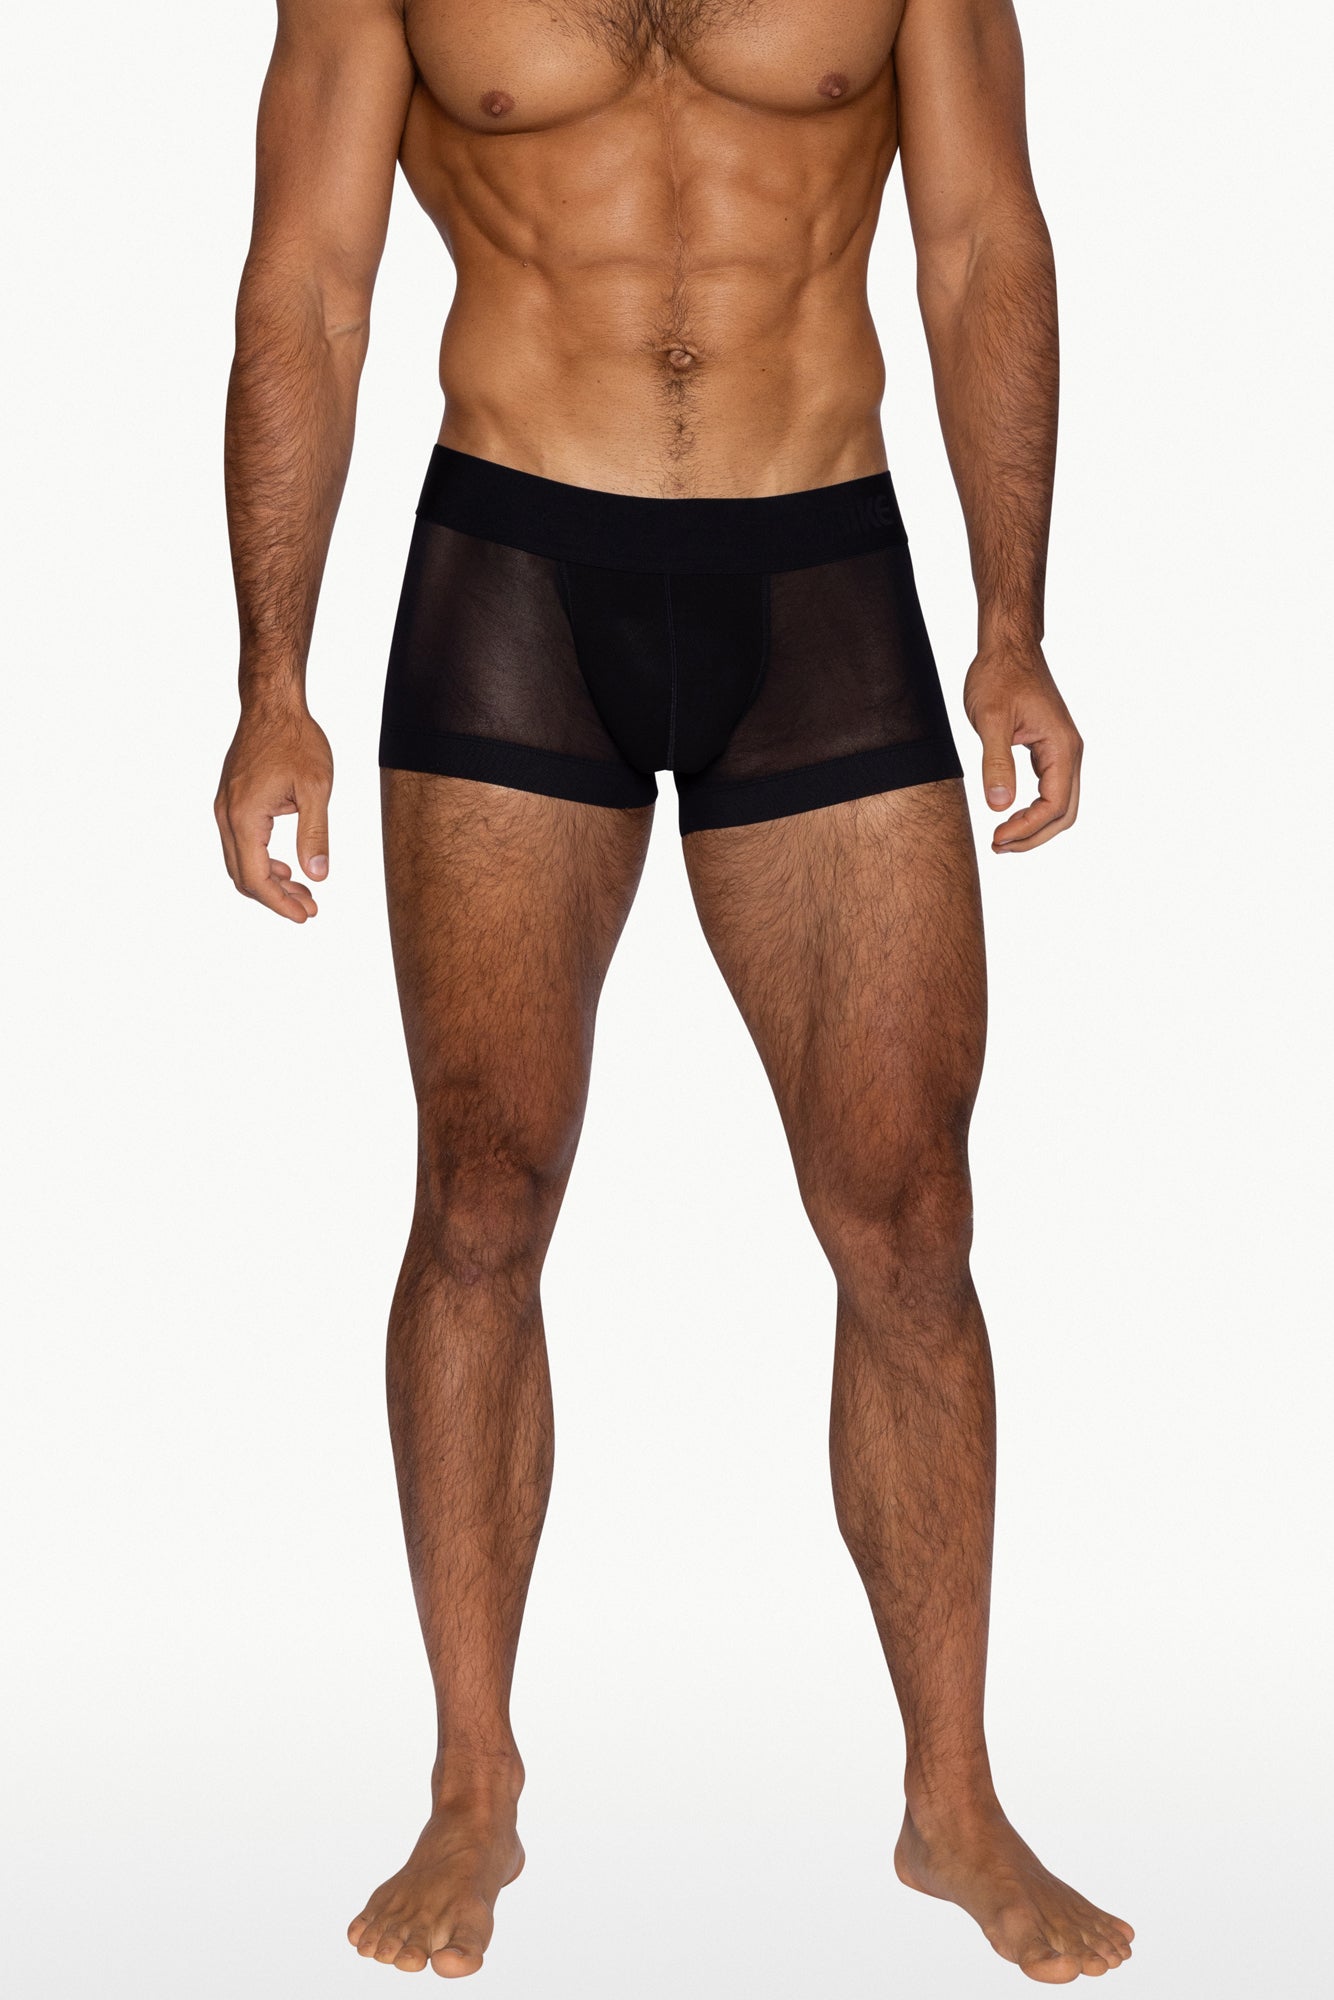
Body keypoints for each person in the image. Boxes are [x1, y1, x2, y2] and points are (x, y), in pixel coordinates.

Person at [214, 0, 1132, 1981]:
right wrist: (268, 680)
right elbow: (309, 280)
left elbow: (982, 242)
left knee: (909, 1216)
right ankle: (472, 1782)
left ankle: (952, 1798)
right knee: (480, 1196)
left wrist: (1013, 622)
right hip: (511, 563)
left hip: (819, 569)